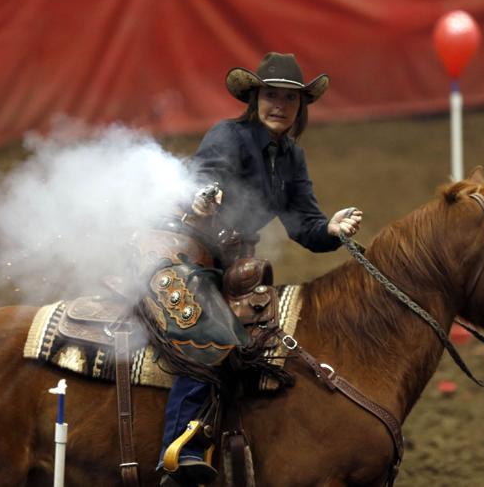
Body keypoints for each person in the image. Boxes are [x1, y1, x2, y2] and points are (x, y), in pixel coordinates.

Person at [150, 52, 362, 486]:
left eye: (289, 98)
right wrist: (202, 198)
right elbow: (202, 176)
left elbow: (304, 222)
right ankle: (180, 453)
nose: (279, 105)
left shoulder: (291, 158)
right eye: (271, 95)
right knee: (207, 330)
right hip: (183, 253)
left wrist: (332, 229)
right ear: (255, 98)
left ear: (300, 106)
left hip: (233, 264)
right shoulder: (228, 135)